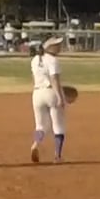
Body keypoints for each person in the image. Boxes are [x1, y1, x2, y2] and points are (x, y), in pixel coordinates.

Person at [29, 36, 69, 164]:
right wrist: (60, 97)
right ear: (50, 47)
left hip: (37, 93)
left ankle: (35, 144)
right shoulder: (53, 60)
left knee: (40, 125)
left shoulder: (35, 60)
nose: (59, 47)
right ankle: (57, 156)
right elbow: (54, 80)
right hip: (51, 92)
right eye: (57, 45)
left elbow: (34, 78)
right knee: (58, 126)